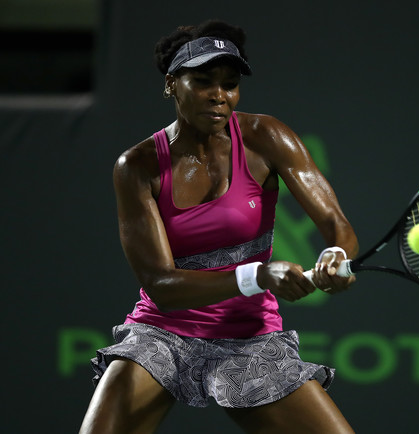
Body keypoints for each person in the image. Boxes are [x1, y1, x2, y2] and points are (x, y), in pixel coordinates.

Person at [79, 19, 358, 434]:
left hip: (251, 337)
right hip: (163, 333)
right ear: (173, 84)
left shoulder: (267, 136)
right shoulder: (136, 167)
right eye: (204, 81)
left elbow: (337, 224)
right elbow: (161, 285)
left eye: (229, 84)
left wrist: (336, 256)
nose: (219, 96)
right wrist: (259, 274)